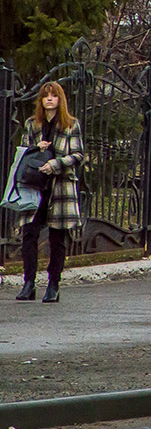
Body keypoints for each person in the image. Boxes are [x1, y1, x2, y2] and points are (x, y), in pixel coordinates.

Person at [15, 82, 85, 303]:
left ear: (60, 100)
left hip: (60, 186)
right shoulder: (32, 124)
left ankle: (54, 283)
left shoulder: (71, 125)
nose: (50, 99)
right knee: (29, 233)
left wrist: (55, 163)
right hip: (35, 185)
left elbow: (78, 155)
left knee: (57, 237)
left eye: (54, 96)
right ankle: (28, 283)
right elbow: (23, 152)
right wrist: (38, 149)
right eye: (46, 96)